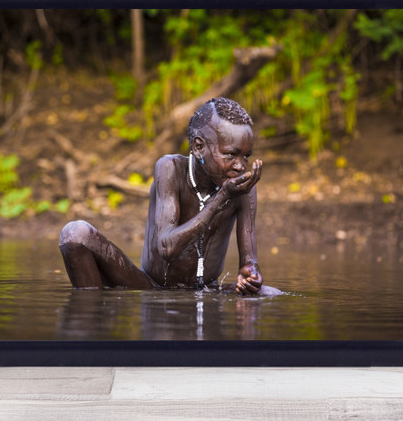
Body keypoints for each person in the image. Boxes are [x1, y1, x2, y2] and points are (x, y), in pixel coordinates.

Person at [59, 97, 281, 296]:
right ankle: (89, 317)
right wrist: (222, 197)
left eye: (246, 156)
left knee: (271, 293)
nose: (241, 166)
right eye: (231, 155)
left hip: (207, 290)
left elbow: (250, 262)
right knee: (75, 234)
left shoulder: (244, 188)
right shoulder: (170, 169)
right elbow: (167, 248)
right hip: (148, 285)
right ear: (198, 147)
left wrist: (250, 275)